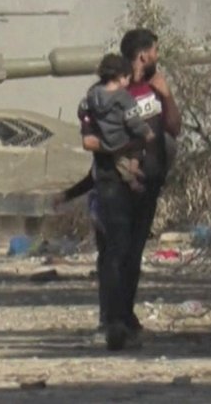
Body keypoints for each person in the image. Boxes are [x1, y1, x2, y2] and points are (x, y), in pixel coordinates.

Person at [79, 28, 181, 351]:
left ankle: (125, 317)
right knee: (114, 251)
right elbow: (90, 139)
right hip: (112, 183)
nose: (157, 57)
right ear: (143, 55)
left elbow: (174, 128)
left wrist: (166, 95)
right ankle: (110, 320)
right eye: (155, 51)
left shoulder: (156, 88)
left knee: (134, 252)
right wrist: (124, 147)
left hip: (147, 183)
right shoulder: (105, 91)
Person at [79, 54, 154, 192]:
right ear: (121, 77)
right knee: (138, 141)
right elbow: (133, 122)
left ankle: (131, 181)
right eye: (128, 78)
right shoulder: (124, 97)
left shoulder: (93, 94)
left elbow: (82, 109)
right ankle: (134, 166)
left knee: (118, 160)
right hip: (121, 139)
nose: (128, 82)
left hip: (105, 140)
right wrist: (147, 132)